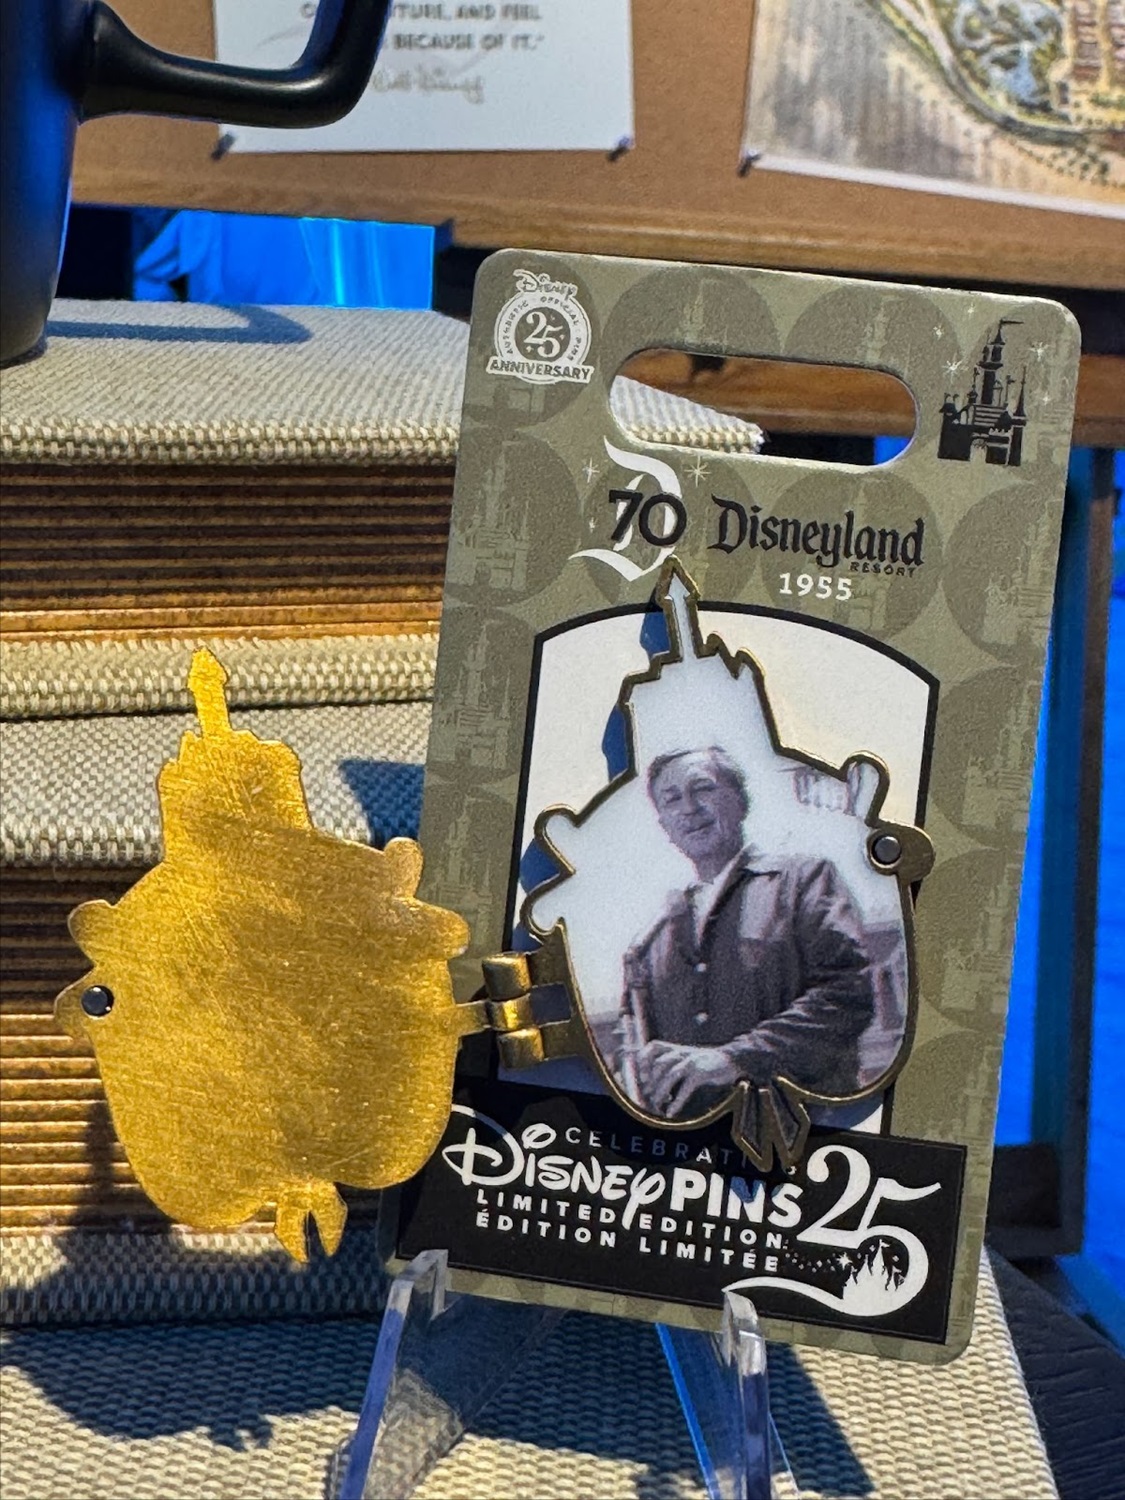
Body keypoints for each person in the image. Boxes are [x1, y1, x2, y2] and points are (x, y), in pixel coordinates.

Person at [618, 747, 874, 1119]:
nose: (689, 808)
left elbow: (849, 993)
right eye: (672, 800)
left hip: (805, 1127)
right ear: (665, 826)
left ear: (740, 801)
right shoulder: (653, 939)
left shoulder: (803, 880)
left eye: (703, 789)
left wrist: (734, 1060)